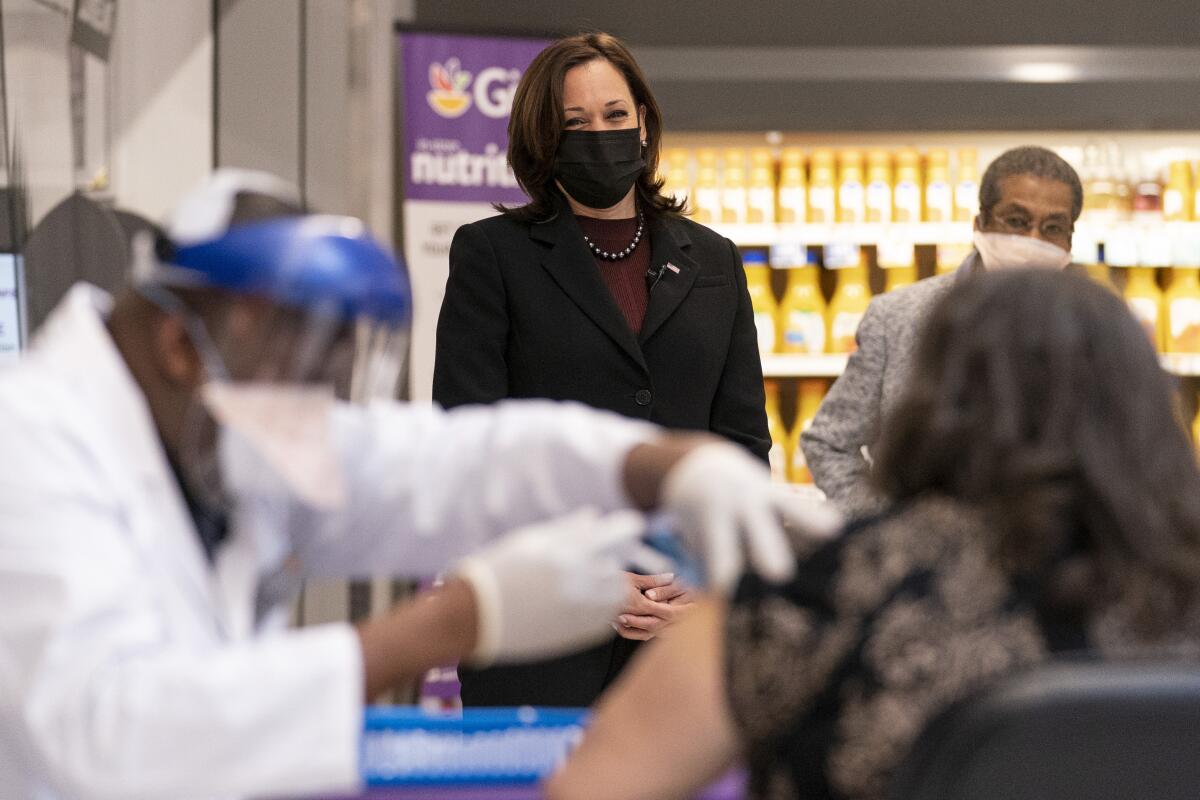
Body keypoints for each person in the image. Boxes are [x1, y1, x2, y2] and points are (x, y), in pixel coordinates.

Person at [0, 170, 838, 800]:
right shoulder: (32, 445)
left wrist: (667, 466)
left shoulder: (213, 416)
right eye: (298, 378)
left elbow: (450, 462)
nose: (314, 420)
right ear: (183, 345)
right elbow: (110, 735)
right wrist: (455, 620)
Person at [545, 269, 1200, 800]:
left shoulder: (816, 589)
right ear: (1146, 412)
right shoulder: (1180, 585)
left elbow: (594, 788)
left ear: (931, 402)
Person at [433, 31, 771, 709]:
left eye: (616, 116)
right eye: (575, 123)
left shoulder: (713, 260)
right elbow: (471, 448)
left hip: (684, 637)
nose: (602, 134)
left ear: (644, 120)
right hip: (541, 639)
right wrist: (580, 576)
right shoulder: (492, 255)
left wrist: (706, 573)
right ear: (543, 140)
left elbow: (742, 446)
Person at [802, 145, 1083, 517]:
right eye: (1016, 221)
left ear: (1069, 240)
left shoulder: (1094, 330)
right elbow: (829, 442)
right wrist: (878, 519)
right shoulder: (899, 316)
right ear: (980, 225)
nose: (1033, 239)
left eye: (1052, 228)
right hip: (926, 556)